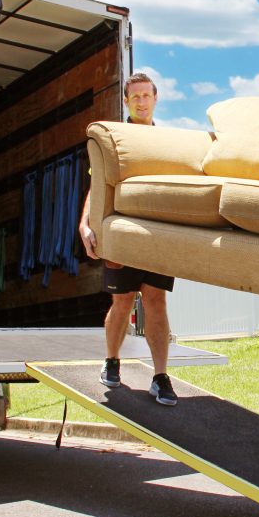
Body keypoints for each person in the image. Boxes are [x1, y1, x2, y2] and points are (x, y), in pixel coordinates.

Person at [78, 72, 177, 406]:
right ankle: (111, 358)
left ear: (155, 98)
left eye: (146, 95)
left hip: (155, 236)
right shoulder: (112, 139)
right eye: (134, 97)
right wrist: (85, 224)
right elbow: (98, 187)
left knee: (156, 302)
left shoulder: (167, 142)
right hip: (122, 231)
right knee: (122, 302)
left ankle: (161, 376)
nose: (141, 101)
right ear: (126, 101)